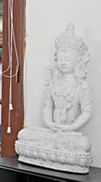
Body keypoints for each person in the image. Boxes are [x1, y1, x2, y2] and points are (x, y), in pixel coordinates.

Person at [15, 23, 93, 172]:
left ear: (78, 61)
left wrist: (70, 127)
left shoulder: (82, 87)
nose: (63, 62)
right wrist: (49, 123)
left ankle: (53, 153)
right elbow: (48, 106)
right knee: (24, 134)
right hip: (51, 132)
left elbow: (87, 112)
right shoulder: (53, 85)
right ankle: (51, 151)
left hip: (69, 134)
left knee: (83, 144)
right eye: (60, 58)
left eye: (67, 58)